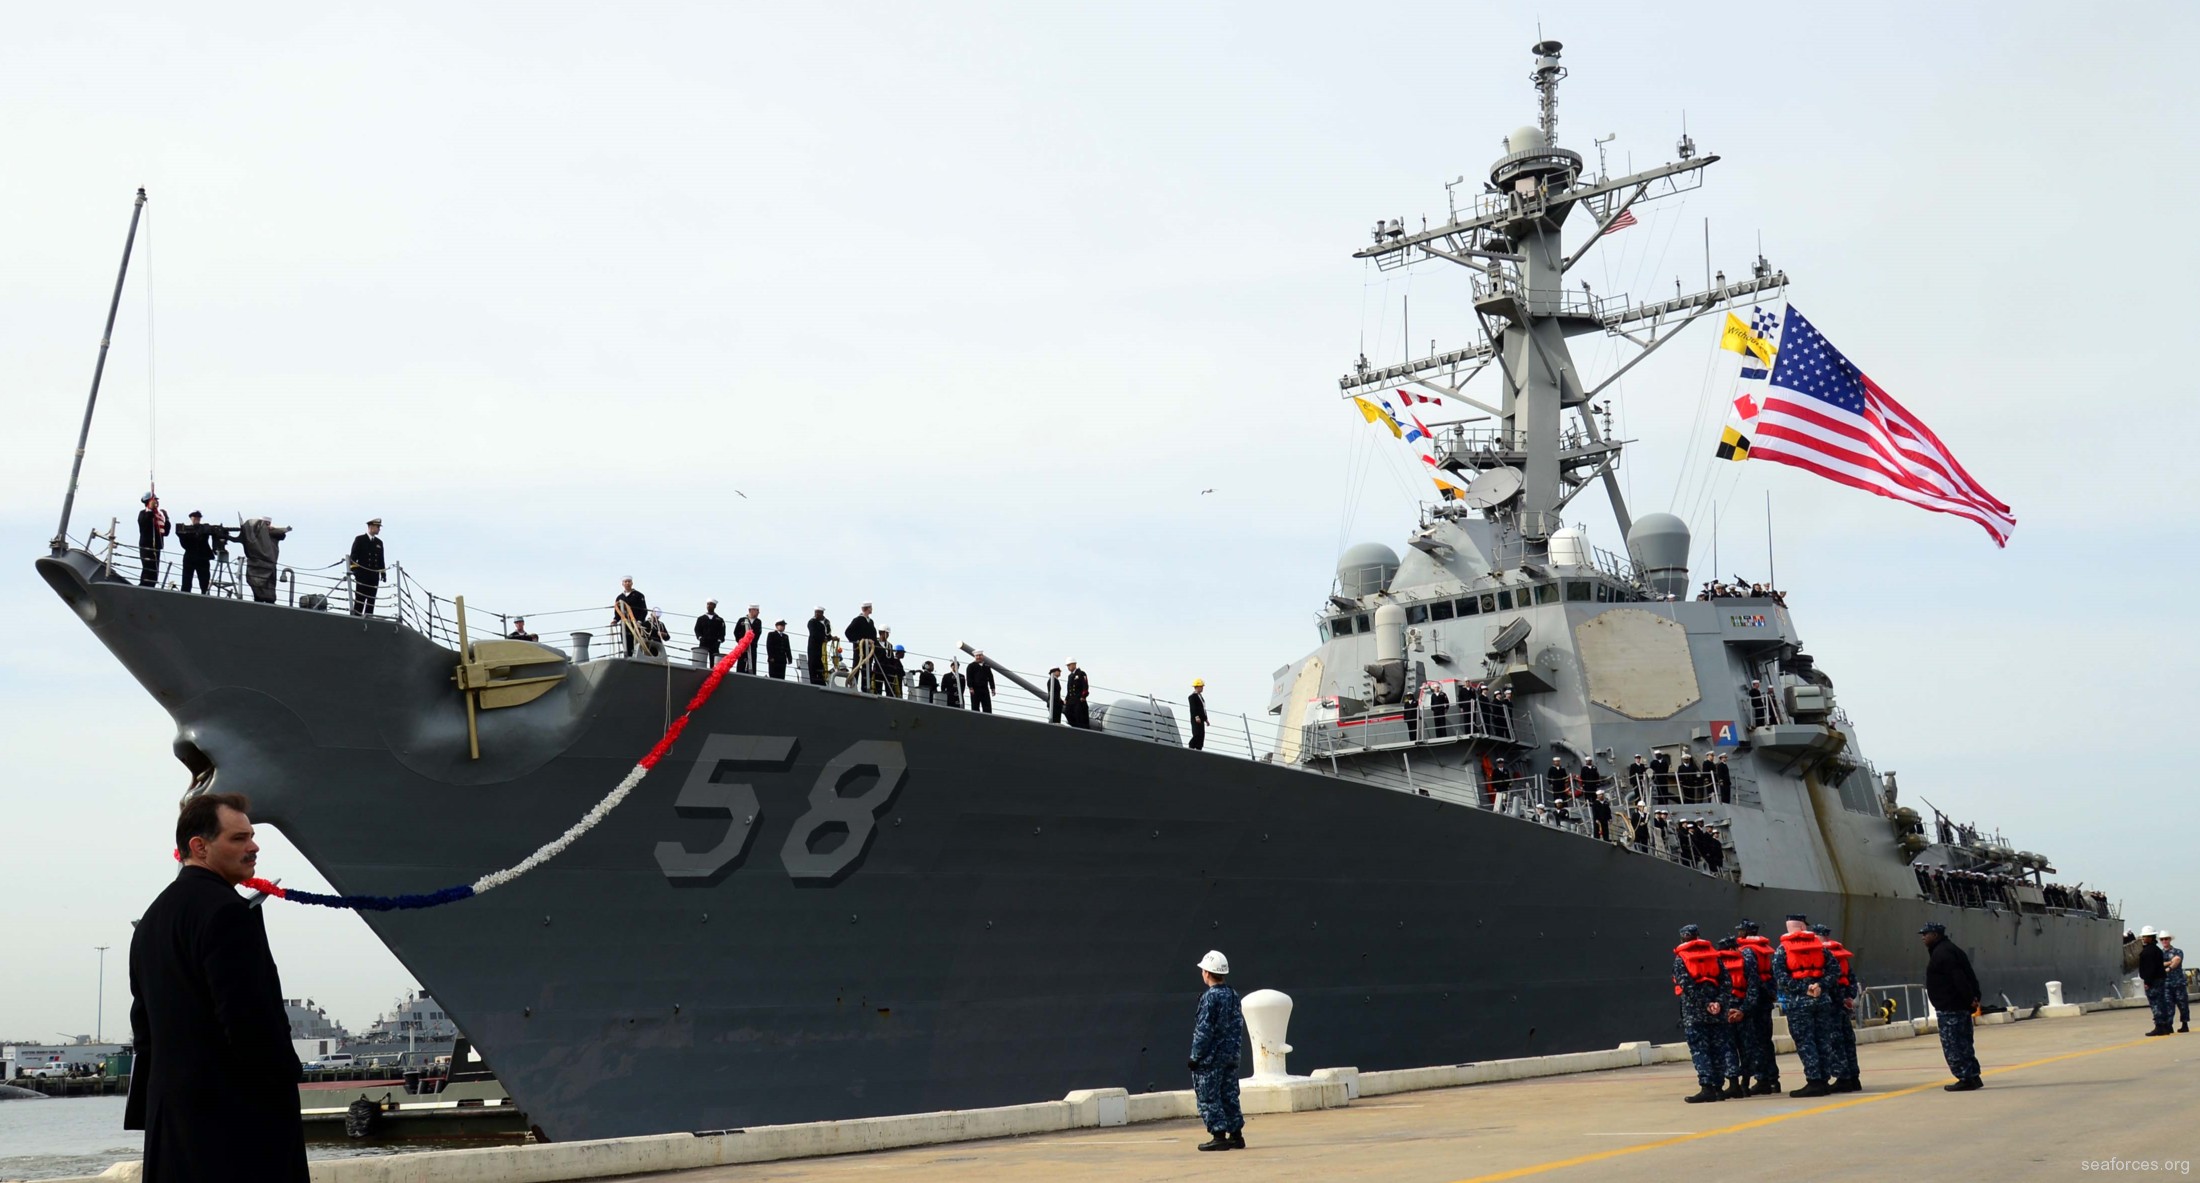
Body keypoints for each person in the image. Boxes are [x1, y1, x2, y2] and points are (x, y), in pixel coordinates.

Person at [126, 792, 309, 1180]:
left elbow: (145, 1033)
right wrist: (279, 1094)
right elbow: (250, 1024)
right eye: (238, 838)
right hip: (234, 1129)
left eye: (252, 836)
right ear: (199, 846)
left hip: (172, 1126)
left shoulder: (151, 921)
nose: (254, 846)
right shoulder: (227, 913)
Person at [1187, 950, 1247, 1151]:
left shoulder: (1209, 998)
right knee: (1229, 1094)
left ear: (1206, 973)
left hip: (1211, 1058)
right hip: (1231, 1055)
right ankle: (1236, 1135)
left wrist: (1195, 1057)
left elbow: (1204, 1031)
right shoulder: (1233, 994)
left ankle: (1219, 1135)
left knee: (1209, 1095)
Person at [1772, 914, 1837, 1097]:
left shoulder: (1782, 949)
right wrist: (1820, 985)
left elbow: (1781, 977)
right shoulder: (1820, 947)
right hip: (1821, 1000)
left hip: (1799, 1003)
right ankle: (1824, 1080)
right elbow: (1834, 970)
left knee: (1805, 1041)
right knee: (1822, 1040)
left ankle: (1814, 1081)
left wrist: (1804, 988)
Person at [1671, 925, 1733, 1103]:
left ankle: (1707, 1088)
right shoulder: (1714, 956)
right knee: (1717, 1049)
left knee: (1700, 1050)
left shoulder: (1680, 959)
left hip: (1695, 1013)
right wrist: (1718, 1003)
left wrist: (1705, 1004)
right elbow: (1726, 982)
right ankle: (1719, 1088)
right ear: (1698, 936)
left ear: (1683, 939)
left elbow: (1687, 987)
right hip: (1718, 1013)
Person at [1920, 922, 1983, 1089]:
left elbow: (1959, 978)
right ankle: (1973, 1076)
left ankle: (1965, 1078)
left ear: (1935, 935)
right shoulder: (1951, 949)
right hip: (1959, 1006)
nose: (1923, 938)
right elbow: (1969, 974)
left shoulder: (1942, 953)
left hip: (1951, 1008)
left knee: (1953, 1044)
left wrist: (1970, 998)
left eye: (1926, 934)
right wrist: (1974, 997)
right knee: (1965, 1043)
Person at [1812, 923, 1862, 1092]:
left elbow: (1830, 982)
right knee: (1848, 1041)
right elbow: (1852, 979)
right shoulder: (1841, 955)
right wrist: (1849, 998)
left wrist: (1838, 999)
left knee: (1835, 1042)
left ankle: (1842, 1078)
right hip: (1844, 1006)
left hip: (1832, 1006)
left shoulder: (1822, 955)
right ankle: (1854, 1077)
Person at [1713, 935, 1759, 1097]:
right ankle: (1745, 1083)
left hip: (1725, 1013)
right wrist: (1743, 1010)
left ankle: (1733, 1084)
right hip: (1743, 1013)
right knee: (1747, 1048)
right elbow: (1753, 990)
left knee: (1728, 1048)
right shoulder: (1747, 963)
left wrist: (1724, 1010)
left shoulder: (1717, 964)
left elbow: (1715, 990)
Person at [238, 517, 290, 603]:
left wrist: (277, 529)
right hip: (256, 564)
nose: (266, 526)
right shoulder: (256, 533)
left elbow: (281, 534)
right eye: (264, 523)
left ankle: (269, 601)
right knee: (256, 586)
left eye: (267, 523)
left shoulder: (272, 533)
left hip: (269, 564)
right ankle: (259, 600)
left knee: (269, 587)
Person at [347, 518, 385, 616]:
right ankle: (356, 620)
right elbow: (353, 558)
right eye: (377, 527)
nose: (379, 529)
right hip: (362, 576)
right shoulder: (360, 540)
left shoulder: (379, 543)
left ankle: (369, 620)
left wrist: (383, 573)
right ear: (371, 527)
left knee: (371, 601)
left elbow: (381, 560)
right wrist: (356, 572)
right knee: (360, 600)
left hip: (374, 577)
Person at [2139, 926, 2172, 1036]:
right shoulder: (2157, 950)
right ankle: (2166, 1026)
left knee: (2155, 1004)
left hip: (2153, 981)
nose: (2143, 938)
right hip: (2160, 980)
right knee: (2162, 1002)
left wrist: (2147, 982)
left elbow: (2149, 968)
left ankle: (2159, 1026)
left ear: (2150, 937)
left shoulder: (2148, 951)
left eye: (2145, 937)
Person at [175, 511, 215, 594]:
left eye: (198, 518)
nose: (196, 519)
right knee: (186, 580)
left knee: (204, 581)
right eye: (195, 517)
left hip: (202, 557)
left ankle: (205, 595)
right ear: (191, 518)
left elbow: (211, 531)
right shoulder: (186, 530)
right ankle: (185, 596)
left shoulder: (204, 528)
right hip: (190, 557)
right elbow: (184, 544)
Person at [135, 492, 170, 587]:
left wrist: (167, 519)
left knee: (155, 569)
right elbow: (144, 524)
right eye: (154, 500)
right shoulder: (143, 514)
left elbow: (165, 532)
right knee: (148, 567)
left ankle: (152, 586)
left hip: (156, 546)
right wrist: (150, 510)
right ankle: (144, 585)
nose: (156, 502)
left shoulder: (159, 515)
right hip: (147, 545)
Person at [845, 603, 878, 692]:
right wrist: (857, 641)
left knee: (867, 668)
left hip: (869, 650)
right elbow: (848, 632)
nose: (872, 609)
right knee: (856, 666)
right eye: (871, 608)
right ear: (868, 608)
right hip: (859, 649)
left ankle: (865, 687)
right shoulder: (858, 620)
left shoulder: (870, 622)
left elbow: (873, 635)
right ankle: (852, 686)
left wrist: (873, 643)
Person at [613, 578, 649, 657]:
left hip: (636, 623)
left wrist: (639, 621)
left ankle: (637, 657)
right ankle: (628, 657)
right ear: (622, 584)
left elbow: (644, 610)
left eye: (629, 581)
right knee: (626, 642)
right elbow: (617, 611)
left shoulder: (639, 595)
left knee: (637, 643)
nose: (627, 583)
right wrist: (615, 619)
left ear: (632, 583)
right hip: (625, 624)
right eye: (625, 582)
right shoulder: (619, 597)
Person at [734, 606, 763, 674]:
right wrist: (741, 642)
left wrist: (751, 642)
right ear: (751, 610)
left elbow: (758, 634)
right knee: (741, 664)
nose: (758, 612)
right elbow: (736, 632)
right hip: (742, 647)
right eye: (756, 610)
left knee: (752, 663)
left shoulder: (758, 622)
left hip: (752, 646)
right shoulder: (742, 620)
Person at [806, 609, 831, 685]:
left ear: (822, 613)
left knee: (819, 663)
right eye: (816, 612)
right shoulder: (812, 622)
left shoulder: (825, 622)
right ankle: (814, 681)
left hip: (820, 648)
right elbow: (814, 633)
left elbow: (827, 633)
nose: (816, 614)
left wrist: (830, 637)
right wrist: (824, 638)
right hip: (813, 647)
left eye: (818, 613)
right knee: (813, 663)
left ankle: (820, 680)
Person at [1064, 661, 1091, 729]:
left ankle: (1079, 728)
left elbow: (1085, 685)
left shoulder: (1081, 673)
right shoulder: (1070, 676)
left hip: (1078, 699)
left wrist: (1083, 696)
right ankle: (1074, 726)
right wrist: (1066, 699)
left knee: (1080, 716)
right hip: (1071, 700)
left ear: (1074, 664)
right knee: (1067, 712)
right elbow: (1069, 690)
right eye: (1067, 666)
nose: (1068, 667)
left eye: (1069, 665)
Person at [1188, 679, 1208, 751]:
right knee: (1197, 734)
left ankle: (1199, 749)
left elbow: (1203, 709)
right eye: (1201, 686)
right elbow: (1193, 708)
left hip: (1201, 719)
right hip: (1196, 719)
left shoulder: (1201, 697)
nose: (1202, 688)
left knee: (1201, 735)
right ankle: (1191, 746)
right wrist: (1196, 717)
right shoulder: (1192, 697)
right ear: (1197, 687)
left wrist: (1206, 719)